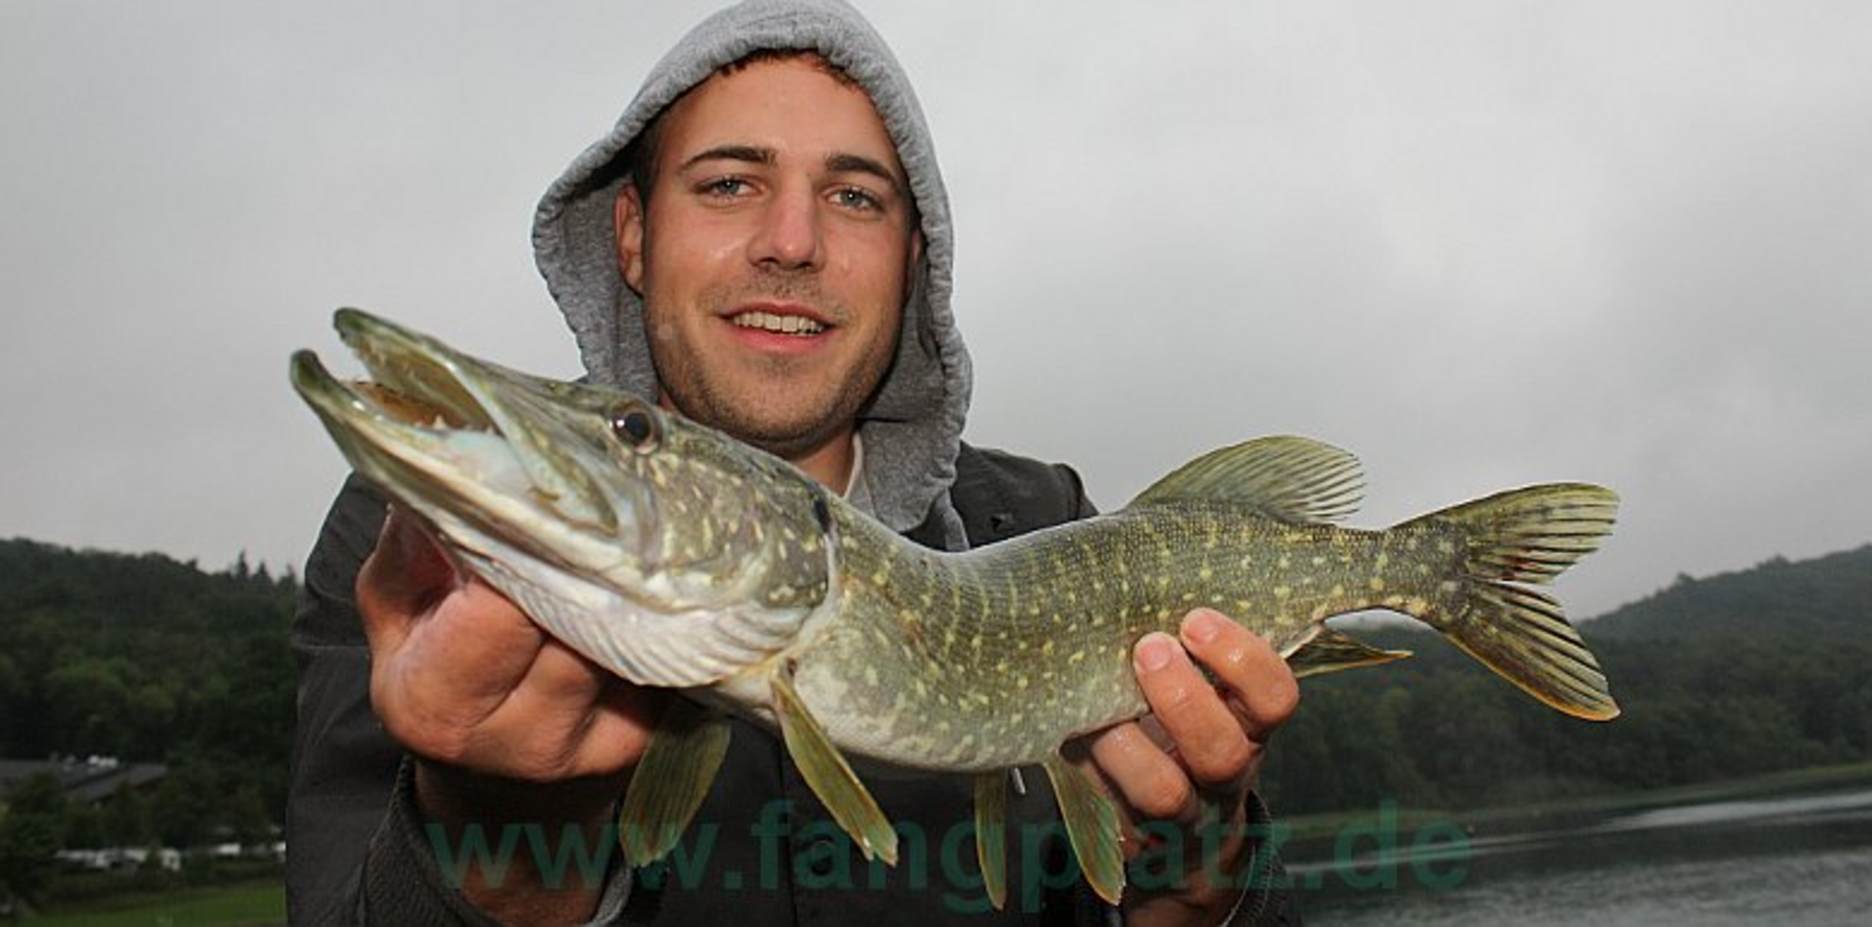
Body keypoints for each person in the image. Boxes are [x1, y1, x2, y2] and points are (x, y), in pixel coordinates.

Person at [287, 1, 1304, 924]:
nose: (792, 241)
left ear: (914, 260)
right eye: (729, 182)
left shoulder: (1054, 523)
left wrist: (1203, 873)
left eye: (856, 197)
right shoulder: (411, 546)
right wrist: (497, 834)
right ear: (633, 237)